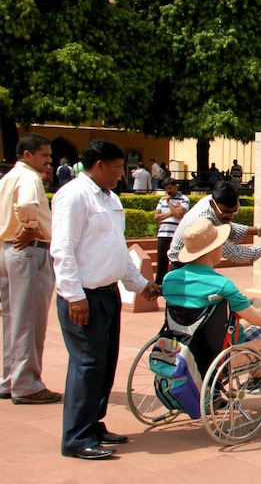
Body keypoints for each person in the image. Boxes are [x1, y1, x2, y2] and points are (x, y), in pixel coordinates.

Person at [51, 139, 160, 460]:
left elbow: (118, 248)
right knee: (87, 365)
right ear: (99, 165)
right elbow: (63, 249)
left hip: (107, 294)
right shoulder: (73, 196)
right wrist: (73, 296)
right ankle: (76, 436)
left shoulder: (110, 198)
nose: (121, 174)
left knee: (104, 362)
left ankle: (92, 424)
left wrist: (140, 284)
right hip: (84, 296)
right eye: (117, 168)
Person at [161, 219, 261, 399]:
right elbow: (258, 318)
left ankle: (258, 374)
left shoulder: (169, 279)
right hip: (220, 353)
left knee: (239, 323)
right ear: (212, 250)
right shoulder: (222, 285)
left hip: (185, 344)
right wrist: (256, 302)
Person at [0, 134, 62, 405]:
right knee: (29, 320)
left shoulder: (7, 178)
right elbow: (26, 205)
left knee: (10, 319)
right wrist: (28, 227)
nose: (49, 162)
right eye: (44, 156)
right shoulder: (29, 178)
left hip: (8, 250)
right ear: (27, 155)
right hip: (28, 251)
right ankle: (26, 384)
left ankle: (8, 379)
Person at [167, 181, 261, 269]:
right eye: (227, 212)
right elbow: (236, 254)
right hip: (182, 267)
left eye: (235, 211)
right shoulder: (203, 222)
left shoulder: (213, 205)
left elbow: (229, 228)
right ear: (212, 204)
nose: (231, 216)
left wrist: (260, 230)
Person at [153, 178, 190, 285]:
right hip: (163, 234)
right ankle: (160, 283)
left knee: (177, 260)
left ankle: (177, 283)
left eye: (170, 188)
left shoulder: (184, 199)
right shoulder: (161, 200)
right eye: (166, 189)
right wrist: (172, 212)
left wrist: (169, 204)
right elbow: (156, 216)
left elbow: (180, 215)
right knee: (162, 261)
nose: (168, 191)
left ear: (175, 186)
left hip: (176, 235)